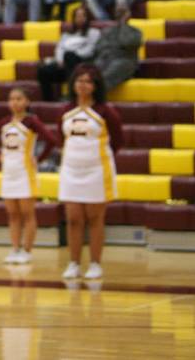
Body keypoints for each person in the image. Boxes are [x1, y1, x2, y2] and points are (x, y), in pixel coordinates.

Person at [58, 65, 123, 281]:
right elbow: (61, 139)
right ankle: (74, 263)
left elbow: (118, 140)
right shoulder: (65, 110)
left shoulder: (106, 111)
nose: (82, 85)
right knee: (73, 218)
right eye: (79, 80)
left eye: (88, 81)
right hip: (71, 171)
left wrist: (96, 157)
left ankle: (95, 264)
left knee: (95, 218)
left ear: (95, 86)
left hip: (97, 170)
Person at [0, 87, 58, 265]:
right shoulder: (4, 123)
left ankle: (27, 251)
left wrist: (39, 158)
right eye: (12, 99)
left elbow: (51, 140)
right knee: (12, 215)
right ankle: (14, 249)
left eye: (19, 99)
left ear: (27, 102)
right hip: (8, 173)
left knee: (27, 214)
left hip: (25, 173)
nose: (15, 102)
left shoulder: (31, 122)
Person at [37, 6, 100, 101]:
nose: (80, 19)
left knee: (69, 55)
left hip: (81, 65)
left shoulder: (94, 33)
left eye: (83, 16)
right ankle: (49, 101)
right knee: (43, 70)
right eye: (77, 16)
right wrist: (60, 60)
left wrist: (71, 55)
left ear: (87, 18)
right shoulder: (66, 35)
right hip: (65, 65)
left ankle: (71, 96)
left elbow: (90, 50)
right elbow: (59, 48)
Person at [92, 5, 142, 93]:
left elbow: (126, 43)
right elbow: (98, 47)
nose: (120, 14)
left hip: (126, 61)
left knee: (112, 70)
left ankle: (94, 94)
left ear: (129, 15)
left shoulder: (135, 32)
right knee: (90, 71)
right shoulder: (107, 30)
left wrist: (123, 24)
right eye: (119, 12)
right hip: (106, 59)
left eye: (123, 12)